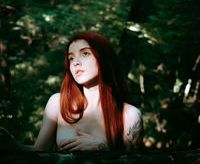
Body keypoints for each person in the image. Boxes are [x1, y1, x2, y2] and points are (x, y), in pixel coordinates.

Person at [0, 31, 143, 152]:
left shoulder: (130, 115)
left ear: (104, 58)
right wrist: (14, 145)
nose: (75, 62)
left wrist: (102, 148)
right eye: (71, 58)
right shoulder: (58, 103)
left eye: (85, 53)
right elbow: (39, 153)